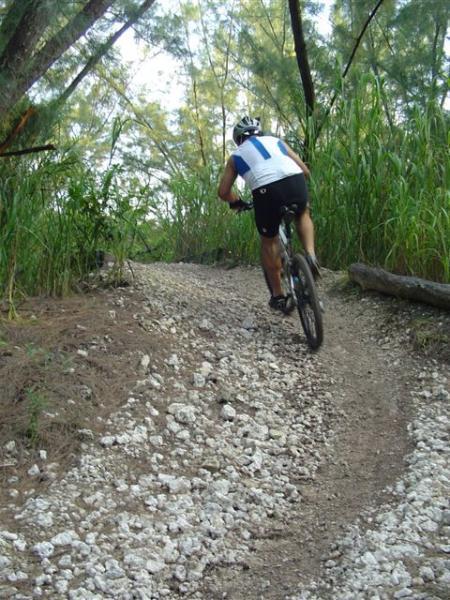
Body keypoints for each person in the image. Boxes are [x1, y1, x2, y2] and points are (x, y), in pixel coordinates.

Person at [218, 116, 320, 312]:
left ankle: (278, 296)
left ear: (239, 139)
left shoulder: (236, 156)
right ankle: (310, 255)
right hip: (295, 180)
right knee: (302, 213)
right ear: (259, 132)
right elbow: (305, 171)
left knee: (269, 241)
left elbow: (223, 192)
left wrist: (236, 202)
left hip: (267, 192)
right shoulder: (276, 142)